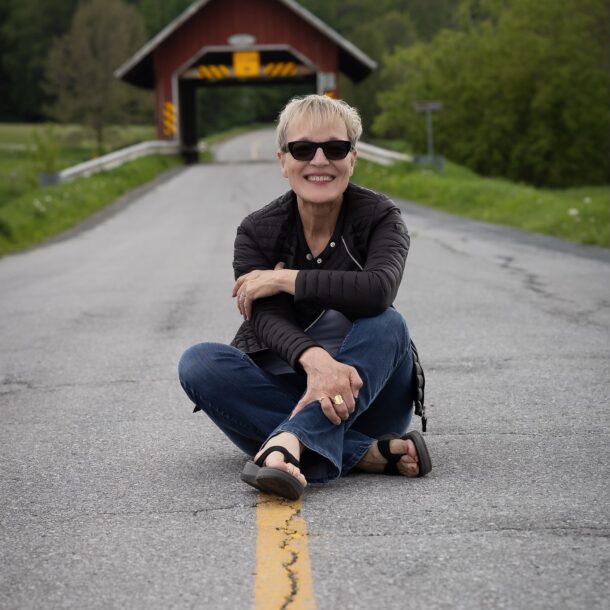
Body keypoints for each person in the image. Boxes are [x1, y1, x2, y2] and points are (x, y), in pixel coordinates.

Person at [178, 94, 431, 500]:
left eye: (335, 148)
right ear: (283, 161)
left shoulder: (381, 217)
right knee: (199, 362)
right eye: (302, 149)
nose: (319, 160)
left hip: (374, 397)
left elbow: (377, 291)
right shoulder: (258, 231)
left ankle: (286, 443)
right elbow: (265, 319)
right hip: (287, 391)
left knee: (389, 323)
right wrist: (316, 362)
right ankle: (362, 454)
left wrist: (288, 279)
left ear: (353, 158)